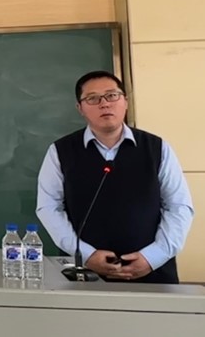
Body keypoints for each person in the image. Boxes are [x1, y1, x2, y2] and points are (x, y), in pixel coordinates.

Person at [35, 70, 194, 284]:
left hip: (152, 272)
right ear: (80, 108)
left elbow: (179, 206)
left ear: (125, 101)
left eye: (112, 95)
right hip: (83, 273)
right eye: (93, 98)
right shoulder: (60, 151)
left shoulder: (157, 148)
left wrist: (152, 257)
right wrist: (86, 254)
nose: (104, 104)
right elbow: (48, 207)